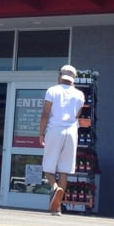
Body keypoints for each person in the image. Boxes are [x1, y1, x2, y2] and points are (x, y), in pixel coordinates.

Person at [38, 64, 85, 215]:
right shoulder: (80, 95)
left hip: (54, 130)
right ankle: (57, 207)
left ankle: (54, 187)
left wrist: (41, 133)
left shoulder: (52, 90)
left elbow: (45, 114)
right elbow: (77, 115)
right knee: (64, 170)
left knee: (48, 167)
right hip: (71, 132)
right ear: (74, 78)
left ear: (60, 76)